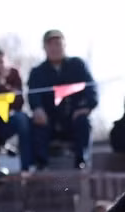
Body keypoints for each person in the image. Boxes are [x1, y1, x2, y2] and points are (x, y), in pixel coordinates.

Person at [28, 30, 97, 170]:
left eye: (58, 44)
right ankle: (41, 164)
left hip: (73, 118)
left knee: (83, 122)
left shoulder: (78, 65)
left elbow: (92, 89)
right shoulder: (37, 72)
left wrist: (87, 107)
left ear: (64, 45)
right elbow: (33, 94)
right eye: (50, 44)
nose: (54, 48)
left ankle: (81, 161)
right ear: (45, 48)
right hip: (49, 121)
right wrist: (37, 109)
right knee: (35, 126)